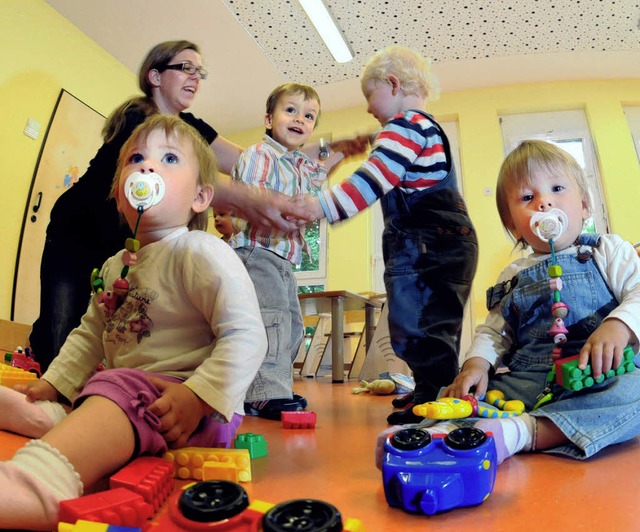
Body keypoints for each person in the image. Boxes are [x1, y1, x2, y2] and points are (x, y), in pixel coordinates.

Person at [0, 114, 267, 531]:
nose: (146, 167)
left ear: (200, 197)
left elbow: (246, 334)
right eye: (137, 158)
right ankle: (53, 415)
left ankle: (38, 484)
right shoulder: (113, 265)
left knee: (116, 386)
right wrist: (54, 382)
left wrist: (197, 398)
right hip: (127, 394)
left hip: (188, 411)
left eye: (169, 158)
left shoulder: (200, 251)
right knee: (104, 383)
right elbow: (90, 334)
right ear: (121, 196)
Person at [28, 40, 319, 375]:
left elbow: (248, 163)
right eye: (185, 68)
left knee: (103, 325)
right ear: (155, 76)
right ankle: (43, 352)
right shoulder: (139, 119)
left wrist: (304, 160)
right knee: (61, 331)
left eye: (199, 71)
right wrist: (261, 201)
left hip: (118, 243)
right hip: (75, 232)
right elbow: (206, 182)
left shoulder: (193, 128)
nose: (195, 77)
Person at [377, 140, 640, 467]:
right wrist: (477, 364)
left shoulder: (608, 250)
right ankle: (431, 435)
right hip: (528, 376)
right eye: (528, 198)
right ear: (513, 225)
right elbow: (495, 331)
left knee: (635, 393)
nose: (544, 203)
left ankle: (526, 431)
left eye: (557, 189)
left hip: (599, 375)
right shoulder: (514, 273)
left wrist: (619, 325)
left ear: (585, 206)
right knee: (466, 393)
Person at [303, 46, 478, 424]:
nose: (368, 108)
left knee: (418, 324)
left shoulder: (406, 125)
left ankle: (436, 401)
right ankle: (429, 387)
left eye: (370, 96)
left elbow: (374, 177)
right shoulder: (427, 130)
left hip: (428, 245)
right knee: (432, 323)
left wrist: (320, 207)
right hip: (447, 242)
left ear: (393, 83)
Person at [230, 83, 363, 419]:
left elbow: (317, 174)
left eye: (308, 116)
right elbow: (252, 194)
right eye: (290, 110)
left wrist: (344, 150)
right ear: (268, 118)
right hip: (256, 251)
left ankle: (278, 386)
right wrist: (289, 209)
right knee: (271, 319)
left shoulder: (297, 165)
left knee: (290, 326)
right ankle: (262, 392)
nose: (299, 119)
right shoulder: (259, 154)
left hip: (283, 258)